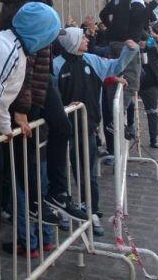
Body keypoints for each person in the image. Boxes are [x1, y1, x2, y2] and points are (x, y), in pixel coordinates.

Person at [0, 0, 86, 225]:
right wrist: (21, 106)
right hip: (22, 79)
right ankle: (35, 201)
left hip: (41, 76)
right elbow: (23, 60)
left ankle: (57, 193)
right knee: (26, 143)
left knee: (61, 128)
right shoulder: (27, 5)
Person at [0, 2, 62, 262]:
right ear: (40, 34)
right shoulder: (6, 50)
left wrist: (6, 128)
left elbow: (0, 100)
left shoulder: (15, 50)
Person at [53, 30, 139, 237]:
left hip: (87, 128)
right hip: (61, 130)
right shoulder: (55, 65)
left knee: (88, 173)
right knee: (60, 171)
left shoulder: (92, 60)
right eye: (82, 37)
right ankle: (61, 209)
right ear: (72, 41)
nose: (87, 39)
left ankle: (91, 210)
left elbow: (115, 66)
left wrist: (130, 51)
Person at [98, 0, 158, 107]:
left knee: (114, 79)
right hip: (128, 46)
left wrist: (111, 30)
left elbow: (103, 14)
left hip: (112, 43)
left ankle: (111, 118)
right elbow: (139, 16)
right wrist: (155, 1)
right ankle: (117, 118)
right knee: (131, 84)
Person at [137, 30, 158, 149]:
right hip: (134, 85)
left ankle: (153, 138)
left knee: (152, 112)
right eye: (140, 41)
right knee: (128, 111)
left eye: (144, 41)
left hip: (150, 86)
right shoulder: (131, 50)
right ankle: (130, 134)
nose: (142, 43)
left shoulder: (151, 50)